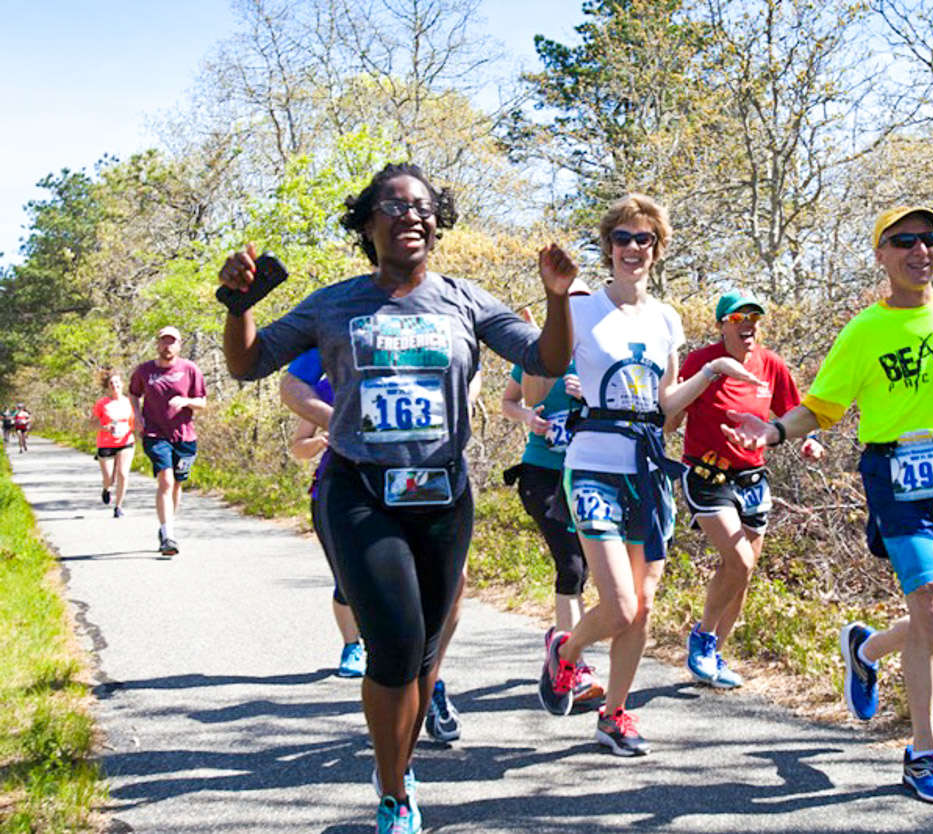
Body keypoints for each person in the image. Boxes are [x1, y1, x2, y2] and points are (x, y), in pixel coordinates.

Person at [219, 162, 573, 834]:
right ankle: (394, 793)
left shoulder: (466, 302)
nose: (410, 215)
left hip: (442, 493)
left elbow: (550, 361)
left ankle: (397, 763)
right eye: (392, 205)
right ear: (366, 224)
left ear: (438, 223)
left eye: (422, 206)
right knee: (395, 645)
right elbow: (247, 364)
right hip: (360, 490)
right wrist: (239, 308)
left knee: (425, 650)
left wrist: (558, 298)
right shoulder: (335, 304)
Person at [726, 205, 933, 805]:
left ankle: (865, 648)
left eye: (927, 239)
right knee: (929, 608)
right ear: (882, 255)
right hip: (895, 474)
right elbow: (822, 406)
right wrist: (771, 432)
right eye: (904, 241)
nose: (919, 250)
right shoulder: (864, 330)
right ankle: (924, 755)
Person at [535, 194, 759, 756]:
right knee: (620, 605)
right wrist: (553, 303)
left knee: (645, 604)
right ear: (607, 247)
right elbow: (539, 383)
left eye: (645, 240)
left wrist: (709, 372)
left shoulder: (665, 318)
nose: (633, 249)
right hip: (591, 463)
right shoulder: (580, 307)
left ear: (658, 250)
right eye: (623, 239)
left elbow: (664, 405)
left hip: (648, 467)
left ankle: (615, 715)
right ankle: (565, 650)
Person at [281, 351, 471, 743]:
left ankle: (429, 677)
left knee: (453, 584)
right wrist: (323, 439)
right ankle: (365, 655)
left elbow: (470, 384)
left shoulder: (427, 365)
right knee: (360, 591)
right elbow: (297, 445)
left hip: (423, 483)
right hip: (351, 493)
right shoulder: (328, 384)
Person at [666, 290, 823, 689]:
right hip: (707, 474)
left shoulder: (771, 364)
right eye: (738, 318)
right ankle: (702, 637)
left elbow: (792, 412)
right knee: (739, 560)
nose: (748, 324)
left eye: (754, 317)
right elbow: (672, 416)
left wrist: (807, 441)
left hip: (752, 479)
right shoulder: (702, 362)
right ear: (722, 325)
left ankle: (715, 655)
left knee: (742, 573)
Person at [500, 289, 604, 706]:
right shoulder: (539, 350)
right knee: (571, 563)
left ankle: (561, 643)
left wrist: (589, 396)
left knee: (586, 570)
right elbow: (520, 401)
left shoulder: (601, 354)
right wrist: (528, 417)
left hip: (588, 471)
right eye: (568, 307)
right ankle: (571, 665)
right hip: (542, 473)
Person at [286, 349, 366, 678]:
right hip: (333, 492)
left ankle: (385, 642)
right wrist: (320, 441)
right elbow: (297, 448)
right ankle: (352, 646)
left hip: (390, 490)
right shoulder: (323, 390)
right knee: (347, 576)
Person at [129, 325, 208, 557]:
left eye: (172, 341)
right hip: (155, 433)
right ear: (157, 344)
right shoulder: (144, 371)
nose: (167, 346)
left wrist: (186, 402)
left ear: (179, 345)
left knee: (176, 484)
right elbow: (133, 393)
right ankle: (168, 534)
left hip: (184, 435)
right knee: (165, 479)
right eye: (164, 341)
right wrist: (137, 416)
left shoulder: (190, 369)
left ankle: (167, 527)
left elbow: (202, 402)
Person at [91, 369, 136, 518]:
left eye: (117, 382)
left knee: (123, 473)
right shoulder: (102, 403)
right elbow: (91, 423)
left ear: (122, 384)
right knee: (109, 477)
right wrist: (105, 427)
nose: (114, 385)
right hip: (106, 442)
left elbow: (136, 421)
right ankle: (106, 488)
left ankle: (119, 506)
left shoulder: (130, 402)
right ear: (108, 387)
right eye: (111, 383)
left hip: (126, 441)